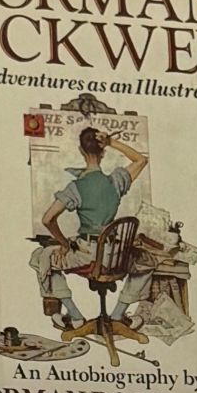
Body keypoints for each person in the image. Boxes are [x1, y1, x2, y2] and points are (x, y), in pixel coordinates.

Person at [31, 127, 149, 332]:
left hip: (89, 257)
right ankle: (118, 314)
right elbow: (141, 160)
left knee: (40, 256)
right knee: (148, 262)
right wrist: (111, 142)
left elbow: (47, 219)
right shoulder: (116, 181)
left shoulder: (76, 187)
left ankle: (75, 316)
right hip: (115, 256)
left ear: (80, 150)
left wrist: (64, 244)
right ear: (103, 152)